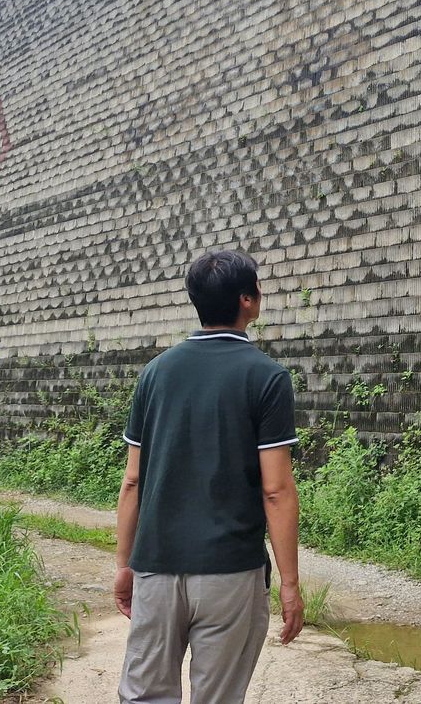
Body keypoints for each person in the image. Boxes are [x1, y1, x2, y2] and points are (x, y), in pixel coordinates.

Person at [115, 250, 305, 704]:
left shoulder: (155, 374)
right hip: (230, 573)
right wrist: (290, 584)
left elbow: (133, 481)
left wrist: (125, 564)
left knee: (144, 696)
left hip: (156, 566)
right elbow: (276, 491)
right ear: (247, 300)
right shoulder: (267, 378)